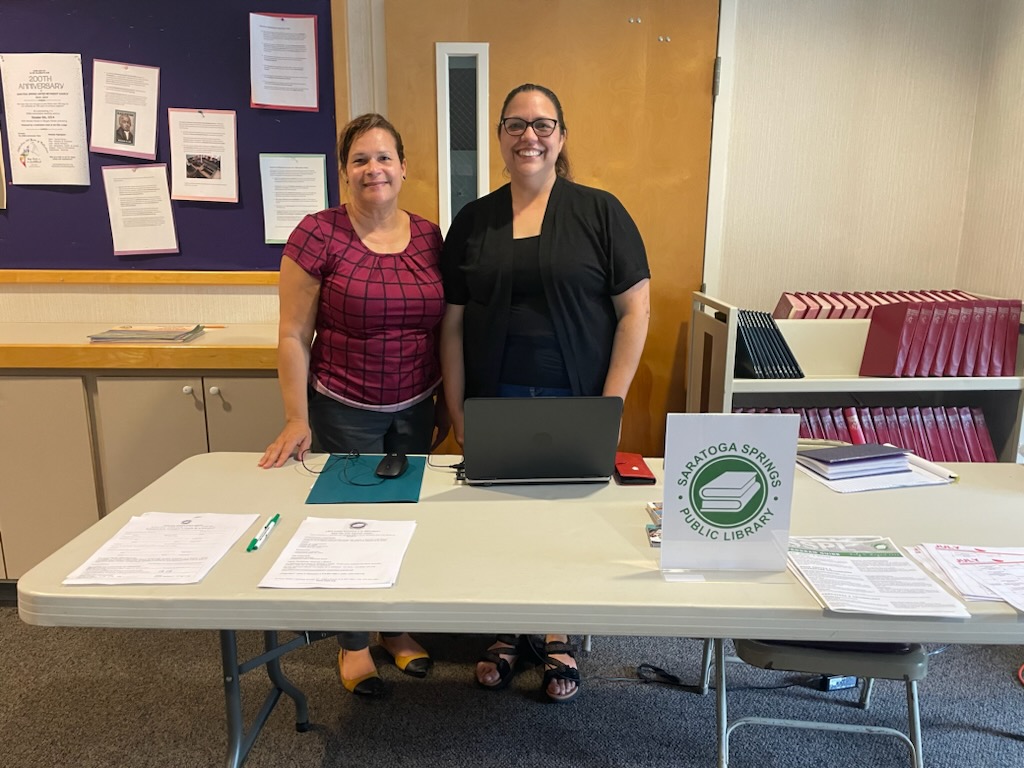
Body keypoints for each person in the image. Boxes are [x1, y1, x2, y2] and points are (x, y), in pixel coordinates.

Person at [439, 83, 651, 703]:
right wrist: (456, 406)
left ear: (561, 136)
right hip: (495, 393)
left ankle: (558, 635)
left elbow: (635, 310)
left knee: (568, 520)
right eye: (515, 125)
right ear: (500, 138)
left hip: (577, 396)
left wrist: (609, 405)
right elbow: (451, 320)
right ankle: (505, 631)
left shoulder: (600, 211)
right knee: (499, 518)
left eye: (542, 124)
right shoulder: (474, 219)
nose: (529, 135)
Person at [259, 113, 448, 697]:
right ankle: (352, 643)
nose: (375, 169)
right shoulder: (317, 234)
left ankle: (394, 628)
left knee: (405, 521)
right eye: (361, 160)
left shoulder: (430, 237)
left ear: (404, 166)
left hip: (416, 405)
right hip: (344, 405)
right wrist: (297, 416)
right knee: (349, 528)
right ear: (344, 173)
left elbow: (445, 326)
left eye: (385, 157)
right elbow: (293, 334)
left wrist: (447, 401)